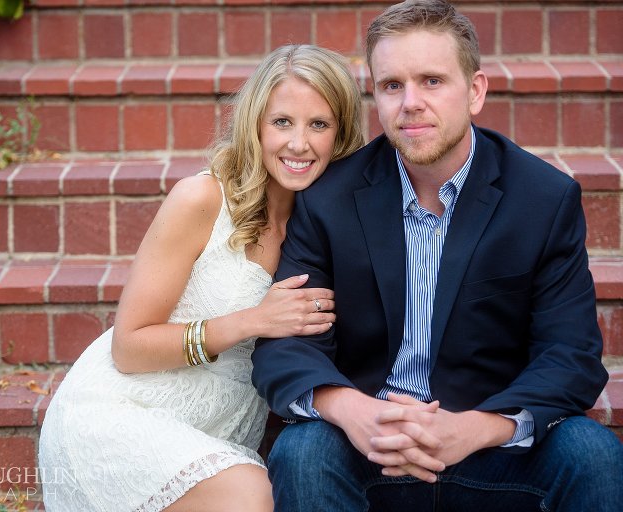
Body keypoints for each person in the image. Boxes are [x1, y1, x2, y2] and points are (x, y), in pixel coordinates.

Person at [251, 1, 623, 511]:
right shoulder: (329, 199)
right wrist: (353, 411)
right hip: (369, 445)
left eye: (432, 81)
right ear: (376, 98)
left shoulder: (542, 199)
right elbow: (285, 346)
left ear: (475, 91)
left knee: (592, 453)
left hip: (489, 444)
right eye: (392, 85)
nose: (410, 103)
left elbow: (571, 354)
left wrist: (475, 429)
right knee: (302, 451)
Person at [37, 44, 364, 511]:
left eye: (319, 124)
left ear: (342, 134)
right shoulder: (202, 200)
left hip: (217, 428)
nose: (298, 144)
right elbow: (128, 347)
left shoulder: (328, 226)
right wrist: (251, 321)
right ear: (255, 125)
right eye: (282, 122)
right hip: (122, 412)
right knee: (254, 498)